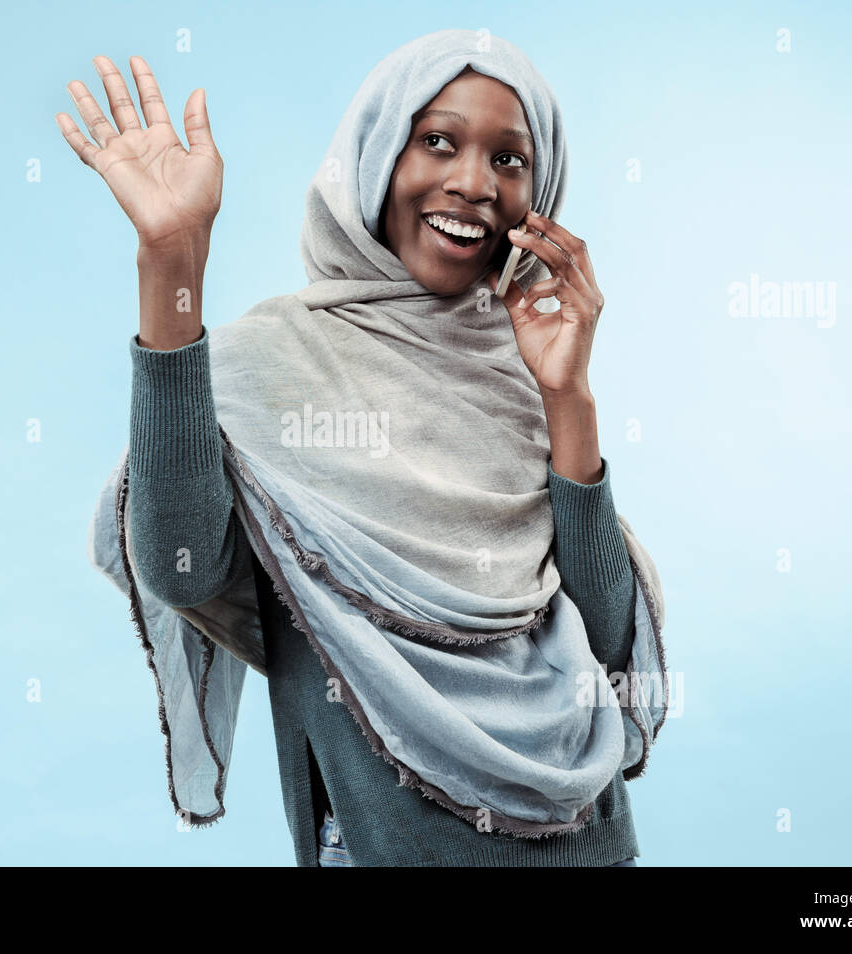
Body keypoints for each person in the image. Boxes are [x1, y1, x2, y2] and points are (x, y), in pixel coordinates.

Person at [65, 30, 669, 867]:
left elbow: (603, 649)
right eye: (438, 141)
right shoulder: (269, 363)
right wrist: (170, 262)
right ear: (377, 155)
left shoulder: (521, 365)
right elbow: (181, 570)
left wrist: (568, 398)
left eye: (509, 160)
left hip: (587, 847)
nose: (472, 183)